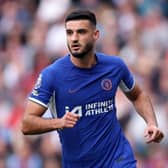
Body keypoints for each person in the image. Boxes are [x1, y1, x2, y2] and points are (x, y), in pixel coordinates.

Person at [21, 9, 164, 168]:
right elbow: (27, 124)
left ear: (95, 35)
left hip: (118, 159)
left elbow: (138, 95)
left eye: (81, 32)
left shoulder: (115, 66)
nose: (74, 38)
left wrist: (151, 122)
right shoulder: (52, 75)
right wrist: (58, 122)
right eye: (70, 33)